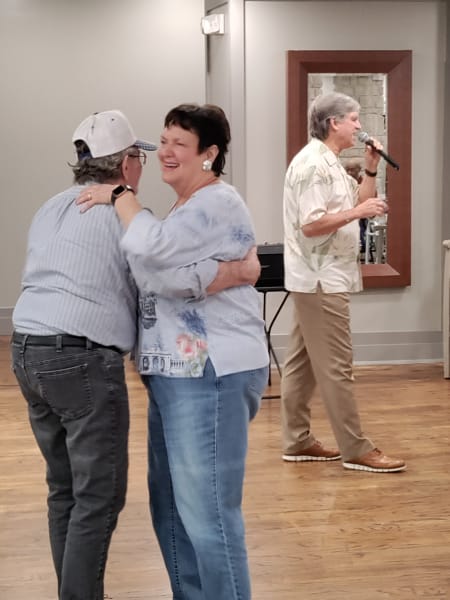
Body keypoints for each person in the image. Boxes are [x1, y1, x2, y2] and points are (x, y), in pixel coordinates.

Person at [10, 109, 260, 600]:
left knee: (76, 491)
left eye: (176, 143)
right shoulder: (127, 213)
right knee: (111, 499)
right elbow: (154, 271)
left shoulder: (54, 208)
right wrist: (231, 273)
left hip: (33, 353)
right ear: (126, 164)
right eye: (152, 148)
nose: (159, 155)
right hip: (101, 363)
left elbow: (153, 264)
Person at [281, 92, 406, 473]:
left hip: (323, 278)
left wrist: (370, 171)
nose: (358, 125)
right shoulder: (312, 166)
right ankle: (355, 448)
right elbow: (311, 224)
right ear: (334, 123)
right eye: (353, 119)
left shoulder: (330, 163)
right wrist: (360, 210)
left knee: (301, 364)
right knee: (337, 365)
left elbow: (354, 206)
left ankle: (297, 440)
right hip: (321, 280)